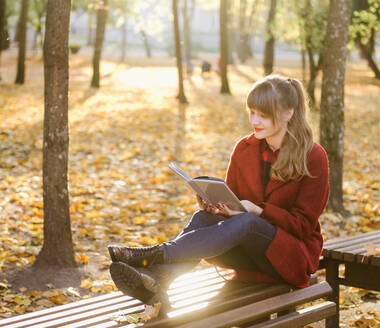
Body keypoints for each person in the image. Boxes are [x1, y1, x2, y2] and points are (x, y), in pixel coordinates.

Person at [108, 75, 330, 306]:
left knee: (248, 222)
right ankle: (158, 278)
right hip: (244, 252)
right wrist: (215, 207)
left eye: (263, 115)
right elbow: (231, 202)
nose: (255, 120)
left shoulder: (314, 157)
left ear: (288, 113)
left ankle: (154, 255)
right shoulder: (244, 148)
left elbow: (304, 225)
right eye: (251, 112)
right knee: (203, 217)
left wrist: (259, 211)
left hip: (289, 257)